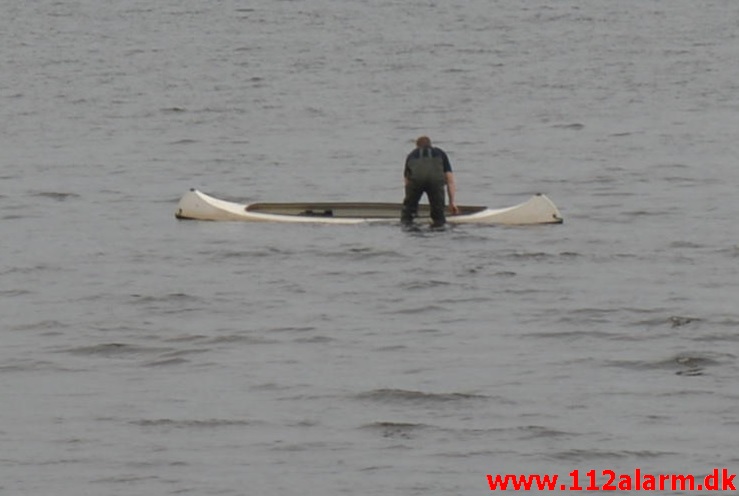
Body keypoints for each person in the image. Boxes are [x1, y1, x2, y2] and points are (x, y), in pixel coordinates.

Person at [401, 136, 459, 227]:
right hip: (435, 182)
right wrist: (452, 202)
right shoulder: (440, 153)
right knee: (438, 213)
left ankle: (409, 221)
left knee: (408, 214)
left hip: (416, 181)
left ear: (417, 146)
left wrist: (409, 200)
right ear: (430, 145)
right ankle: (438, 225)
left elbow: (407, 181)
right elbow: (450, 180)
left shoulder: (411, 155)